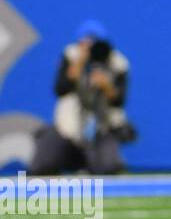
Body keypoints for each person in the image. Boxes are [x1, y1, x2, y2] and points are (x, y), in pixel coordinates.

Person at [29, 20, 134, 176]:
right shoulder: (71, 56)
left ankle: (96, 161)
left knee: (110, 167)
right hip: (68, 128)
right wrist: (77, 66)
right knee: (42, 166)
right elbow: (60, 89)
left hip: (101, 129)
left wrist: (107, 86)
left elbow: (119, 102)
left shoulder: (118, 63)